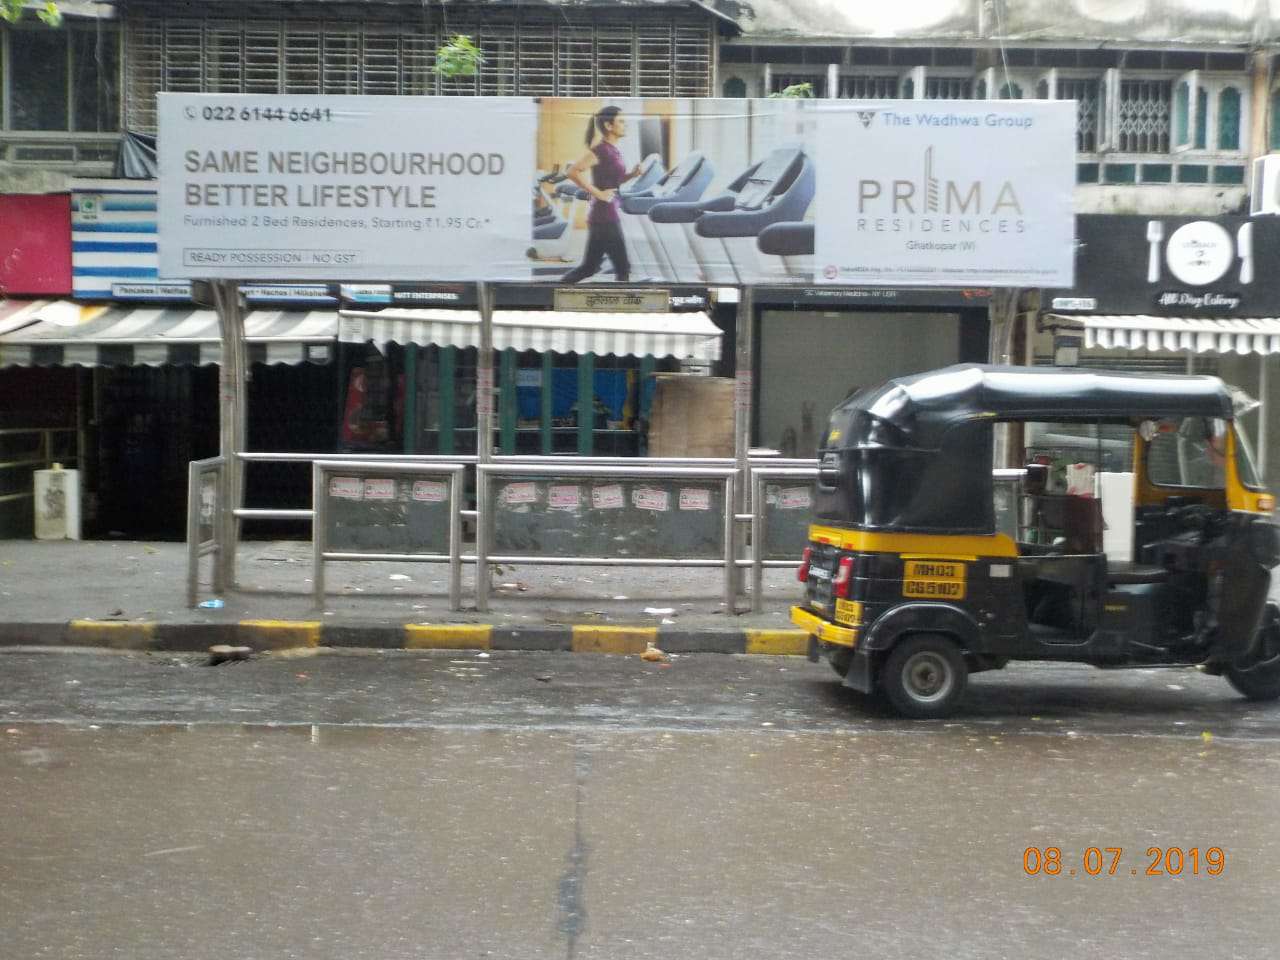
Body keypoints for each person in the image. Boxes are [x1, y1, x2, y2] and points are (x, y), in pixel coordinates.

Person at [560, 105, 644, 283]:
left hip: (605, 215)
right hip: (604, 215)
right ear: (608, 126)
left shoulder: (613, 150)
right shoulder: (601, 150)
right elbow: (572, 172)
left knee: (590, 267)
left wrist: (632, 175)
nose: (625, 124)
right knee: (622, 268)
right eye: (621, 121)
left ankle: (556, 289)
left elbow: (614, 181)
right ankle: (623, 305)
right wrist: (598, 193)